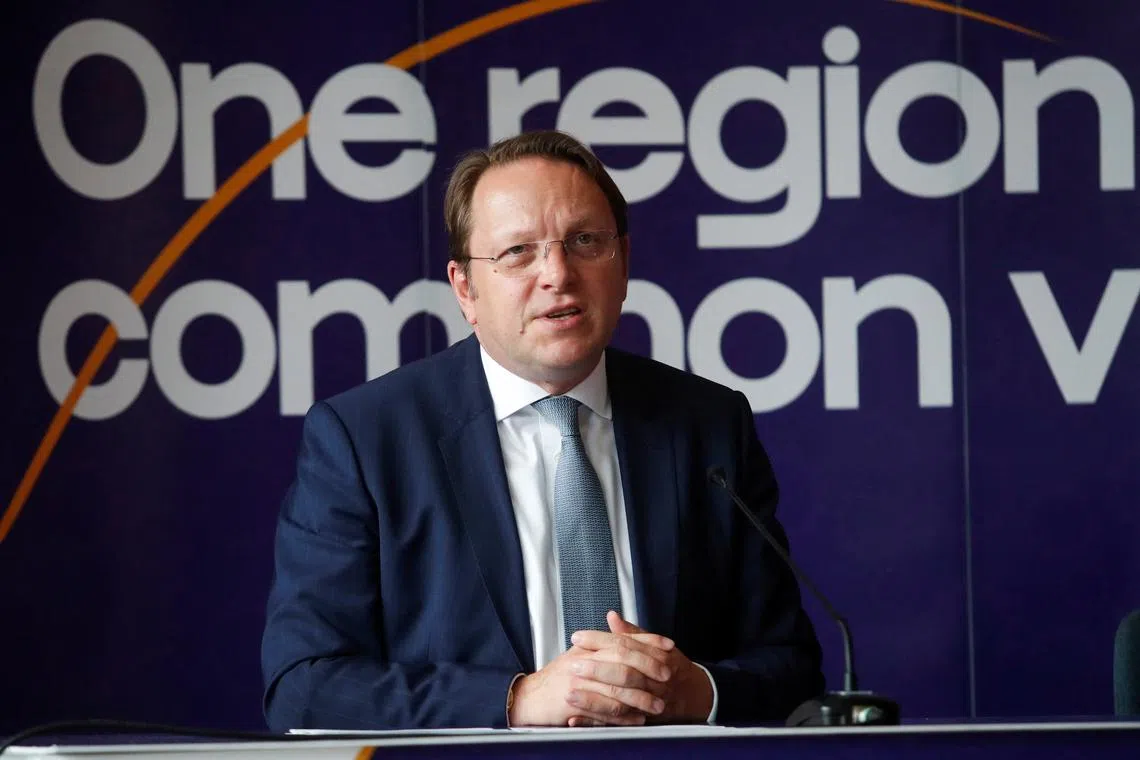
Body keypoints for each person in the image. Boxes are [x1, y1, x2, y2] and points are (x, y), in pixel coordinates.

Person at [261, 130, 824, 730]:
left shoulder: (709, 426)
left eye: (585, 241)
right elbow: (304, 685)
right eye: (518, 252)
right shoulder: (366, 439)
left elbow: (793, 671)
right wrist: (516, 702)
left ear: (624, 263)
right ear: (465, 289)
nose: (558, 273)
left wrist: (699, 692)